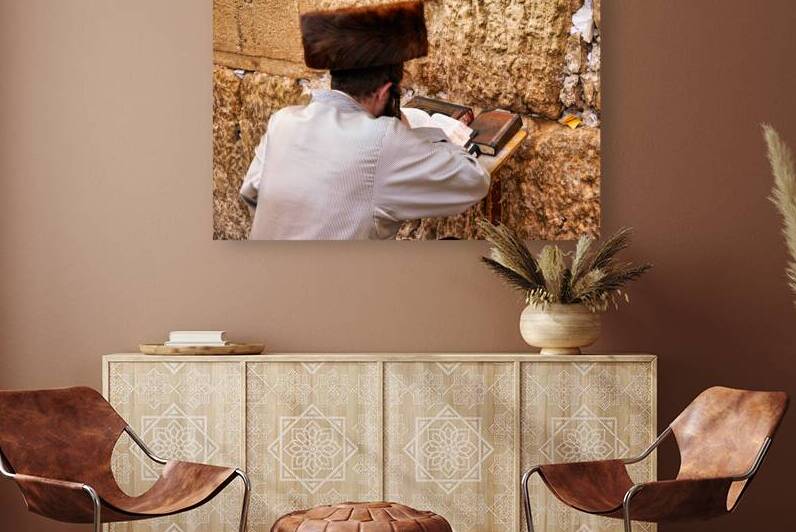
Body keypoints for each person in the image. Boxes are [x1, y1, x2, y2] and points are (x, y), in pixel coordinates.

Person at [241, 1, 490, 240]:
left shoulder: (282, 122)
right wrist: (418, 133)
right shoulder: (383, 139)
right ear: (384, 92)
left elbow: (251, 193)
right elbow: (474, 180)